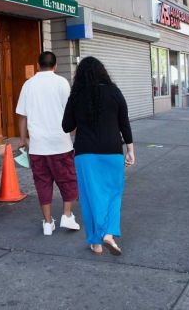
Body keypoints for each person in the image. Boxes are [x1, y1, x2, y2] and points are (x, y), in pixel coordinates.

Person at [62, 57, 134, 256]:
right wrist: (130, 151)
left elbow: (66, 126)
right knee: (113, 194)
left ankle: (96, 243)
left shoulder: (76, 95)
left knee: (90, 197)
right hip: (112, 151)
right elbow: (124, 124)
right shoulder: (114, 92)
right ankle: (109, 232)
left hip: (85, 154)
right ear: (103, 71)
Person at [16, 52, 80, 236]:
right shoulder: (62, 83)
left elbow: (22, 115)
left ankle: (47, 222)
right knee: (68, 179)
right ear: (56, 65)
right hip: (61, 143)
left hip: (38, 145)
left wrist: (23, 139)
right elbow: (70, 112)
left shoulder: (28, 84)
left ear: (38, 64)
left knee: (42, 183)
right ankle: (67, 215)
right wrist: (73, 135)